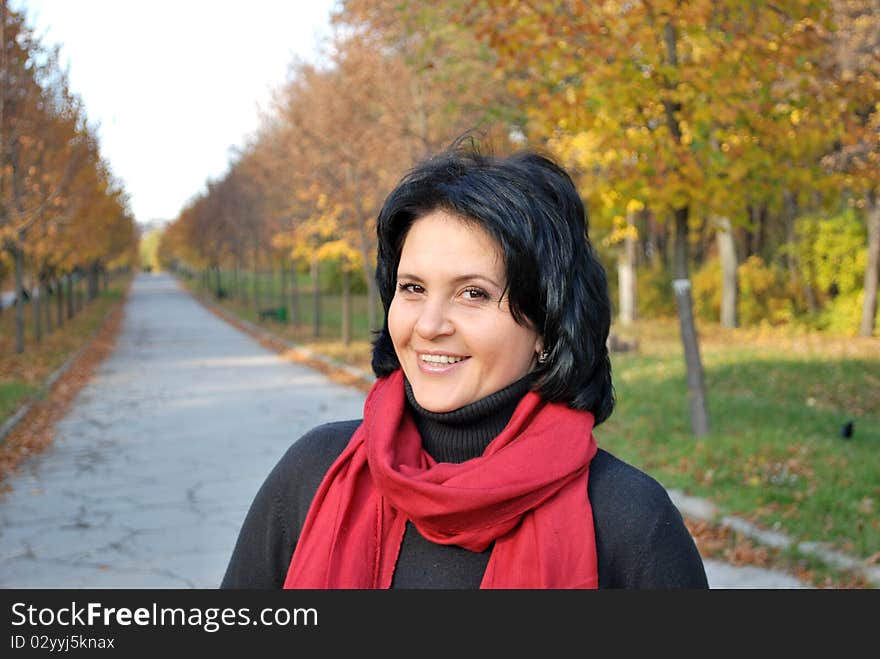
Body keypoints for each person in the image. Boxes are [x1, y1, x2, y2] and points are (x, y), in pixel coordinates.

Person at [220, 139, 709, 589]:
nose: (430, 324)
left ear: (546, 323)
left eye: (472, 293)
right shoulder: (313, 474)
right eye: (412, 288)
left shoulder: (628, 520)